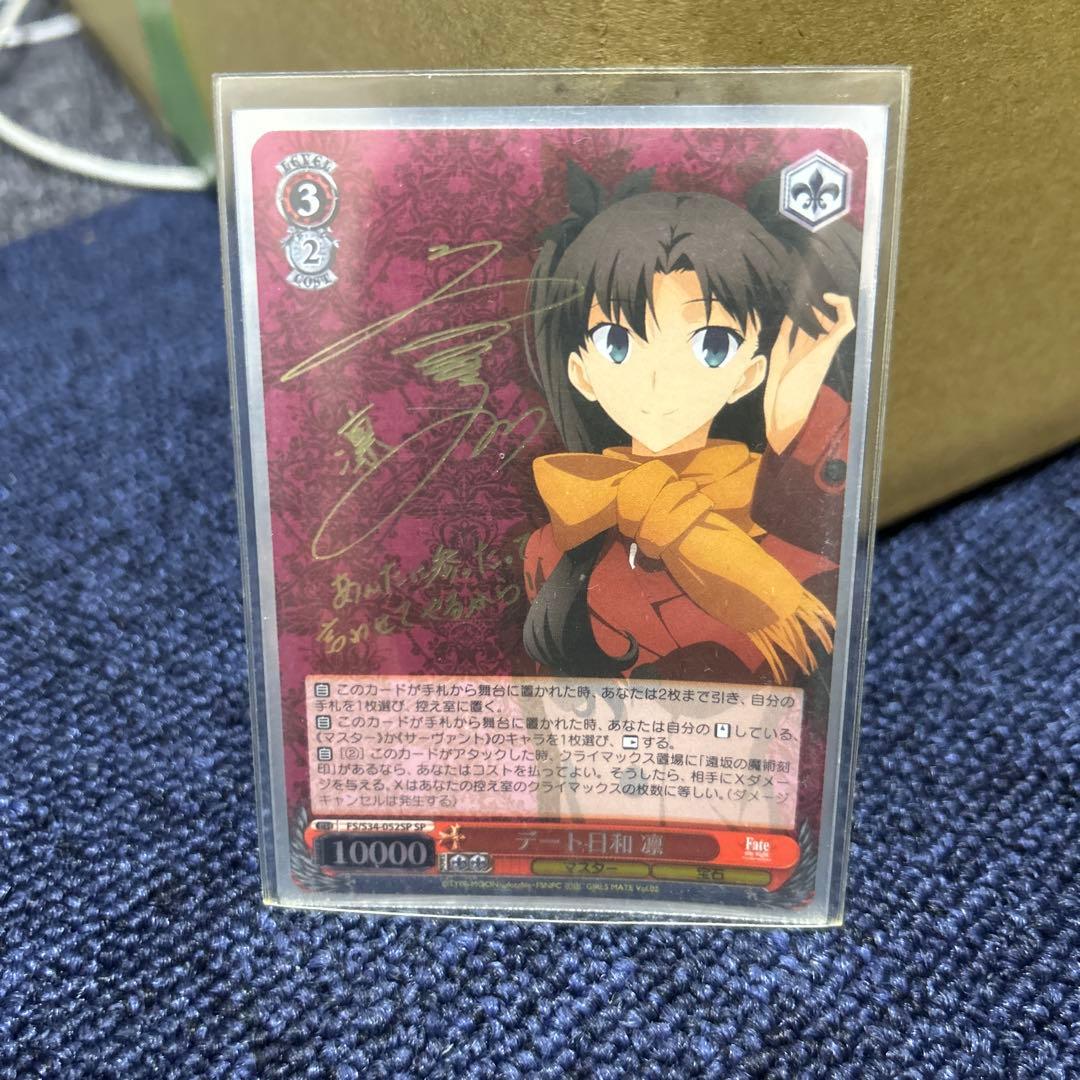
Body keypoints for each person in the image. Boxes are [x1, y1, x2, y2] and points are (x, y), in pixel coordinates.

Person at [521, 161, 857, 685]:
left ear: (749, 374)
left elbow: (825, 676)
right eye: (616, 342)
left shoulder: (781, 530)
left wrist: (794, 415)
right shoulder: (553, 544)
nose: (658, 378)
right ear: (580, 372)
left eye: (712, 346)